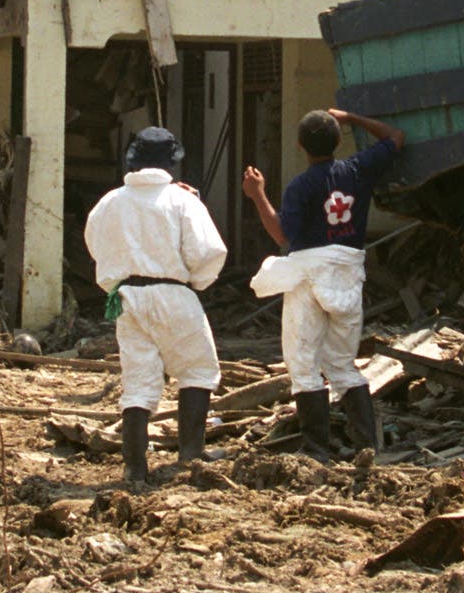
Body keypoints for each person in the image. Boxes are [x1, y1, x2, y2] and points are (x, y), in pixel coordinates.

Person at [241, 105, 405, 462]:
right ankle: (367, 445)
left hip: (310, 275)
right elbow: (395, 137)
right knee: (343, 364)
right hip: (346, 274)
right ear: (336, 140)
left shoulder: (301, 186)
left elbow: (282, 235)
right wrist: (356, 119)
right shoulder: (358, 169)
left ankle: (316, 450)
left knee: (304, 364)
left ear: (300, 145)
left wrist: (257, 195)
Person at [83, 126, 228, 487]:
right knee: (197, 369)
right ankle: (190, 455)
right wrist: (195, 282)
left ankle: (134, 468)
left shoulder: (109, 202)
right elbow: (210, 251)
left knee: (139, 378)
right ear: (170, 163)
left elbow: (95, 244)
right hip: (173, 291)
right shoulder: (183, 201)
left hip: (126, 297)